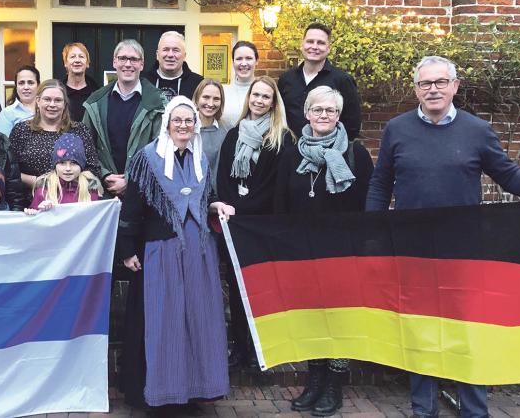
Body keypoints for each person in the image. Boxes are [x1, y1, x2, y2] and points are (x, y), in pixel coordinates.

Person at [366, 55, 520, 418]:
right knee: (420, 332)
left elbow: (507, 173)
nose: (433, 89)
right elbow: (381, 183)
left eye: (441, 82)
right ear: (416, 90)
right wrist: (371, 232)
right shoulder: (397, 129)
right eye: (425, 84)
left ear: (455, 86)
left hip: (464, 252)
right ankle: (423, 409)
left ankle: (475, 410)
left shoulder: (477, 130)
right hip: (414, 251)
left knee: (468, 333)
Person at [116, 96, 236, 409]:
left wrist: (216, 204)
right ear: (167, 124)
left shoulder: (200, 160)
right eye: (177, 120)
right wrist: (127, 249)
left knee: (196, 319)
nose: (183, 125)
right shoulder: (147, 158)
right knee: (163, 321)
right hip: (161, 251)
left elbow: (203, 199)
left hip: (198, 253)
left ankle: (194, 389)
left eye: (188, 121)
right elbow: (132, 207)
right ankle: (160, 391)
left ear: (195, 125)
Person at [274, 86, 374, 417]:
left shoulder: (356, 154)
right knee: (311, 317)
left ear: (339, 115)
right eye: (318, 110)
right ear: (306, 114)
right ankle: (314, 380)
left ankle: (333, 384)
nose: (324, 116)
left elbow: (368, 205)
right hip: (302, 251)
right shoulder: (291, 154)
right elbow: (280, 204)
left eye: (331, 111)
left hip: (343, 252)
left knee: (339, 318)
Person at [215, 75, 295, 367]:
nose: (259, 101)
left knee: (262, 287)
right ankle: (240, 347)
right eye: (255, 95)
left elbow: (276, 185)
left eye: (265, 97)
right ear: (248, 98)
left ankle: (262, 348)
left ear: (274, 103)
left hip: (262, 223)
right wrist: (228, 205)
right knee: (236, 286)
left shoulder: (281, 138)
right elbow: (223, 176)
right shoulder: (234, 134)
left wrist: (244, 207)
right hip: (235, 224)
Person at [82, 39, 166, 198]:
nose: (128, 64)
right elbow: (86, 146)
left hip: (143, 194)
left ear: (141, 64)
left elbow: (161, 150)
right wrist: (104, 174)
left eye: (134, 59)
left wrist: (130, 180)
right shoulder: (95, 102)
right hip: (102, 192)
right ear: (114, 62)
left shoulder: (157, 103)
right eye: (122, 58)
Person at [8, 79, 101, 189]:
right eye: (47, 99)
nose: (52, 104)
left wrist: (67, 183)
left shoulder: (79, 130)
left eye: (58, 100)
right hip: (31, 198)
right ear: (38, 101)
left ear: (65, 103)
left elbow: (94, 169)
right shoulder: (21, 130)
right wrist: (38, 182)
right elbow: (9, 169)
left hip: (72, 199)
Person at [277, 23, 362, 139]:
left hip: (326, 152)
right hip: (289, 151)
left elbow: (352, 125)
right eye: (310, 41)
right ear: (302, 45)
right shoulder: (286, 79)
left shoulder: (343, 80)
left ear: (328, 48)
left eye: (321, 43)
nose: (314, 46)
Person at [25, 133, 103, 214]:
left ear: (81, 166)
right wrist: (35, 211)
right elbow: (34, 221)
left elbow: (99, 216)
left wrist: (113, 205)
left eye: (74, 163)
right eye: (62, 163)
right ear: (55, 165)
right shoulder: (44, 189)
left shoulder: (90, 188)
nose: (68, 168)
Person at [145, 31, 204, 102]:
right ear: (157, 55)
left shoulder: (199, 83)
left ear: (184, 56)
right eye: (165, 49)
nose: (170, 55)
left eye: (176, 50)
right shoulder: (143, 82)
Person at [192, 79, 228, 189]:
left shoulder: (227, 130)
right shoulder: (184, 128)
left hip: (219, 198)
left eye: (216, 99)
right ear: (197, 98)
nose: (211, 103)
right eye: (206, 97)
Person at [0, 65, 40, 137]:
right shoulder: (7, 113)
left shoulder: (47, 109)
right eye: (21, 83)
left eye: (30, 83)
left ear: (38, 85)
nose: (26, 87)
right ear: (16, 86)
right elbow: (3, 145)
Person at [221, 40, 258, 127]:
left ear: (256, 61)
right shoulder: (222, 91)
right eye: (239, 59)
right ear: (233, 62)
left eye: (249, 58)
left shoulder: (267, 91)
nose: (244, 63)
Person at [60, 42, 99, 121]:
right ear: (65, 63)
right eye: (72, 57)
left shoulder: (97, 94)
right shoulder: (59, 91)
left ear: (87, 63)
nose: (77, 60)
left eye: (81, 56)